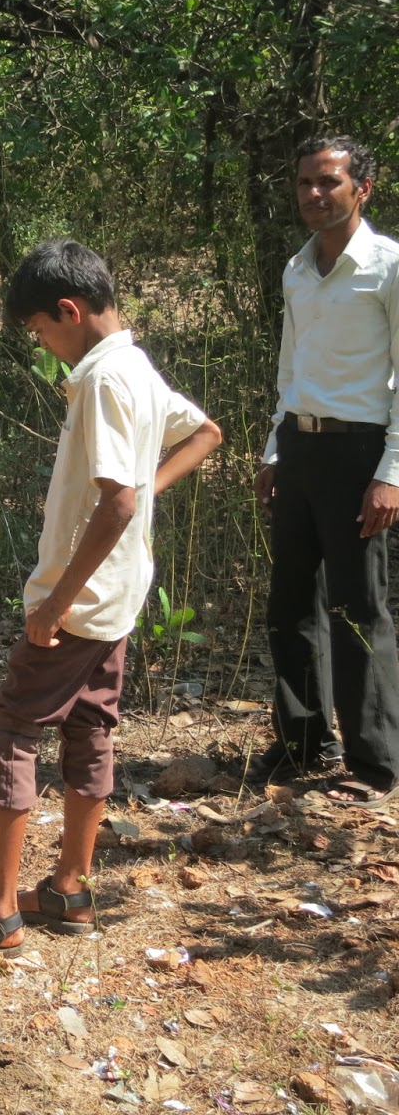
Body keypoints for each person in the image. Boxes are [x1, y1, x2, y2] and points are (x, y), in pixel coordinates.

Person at [0, 240, 221, 955]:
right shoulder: (136, 366)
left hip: (82, 599)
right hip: (121, 593)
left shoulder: (104, 379)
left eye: (42, 332)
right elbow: (206, 432)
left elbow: (115, 502)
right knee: (90, 727)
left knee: (13, 730)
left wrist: (53, 606)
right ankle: (71, 888)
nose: (43, 347)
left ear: (69, 311)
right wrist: (142, 504)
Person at [251, 135, 399, 808]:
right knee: (289, 605)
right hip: (301, 448)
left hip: (359, 453)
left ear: (362, 188)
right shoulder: (296, 269)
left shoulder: (388, 267)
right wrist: (275, 449)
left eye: (329, 182)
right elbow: (291, 367)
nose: (315, 194)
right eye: (306, 182)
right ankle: (302, 742)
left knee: (357, 608)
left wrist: (392, 471)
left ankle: (373, 763)